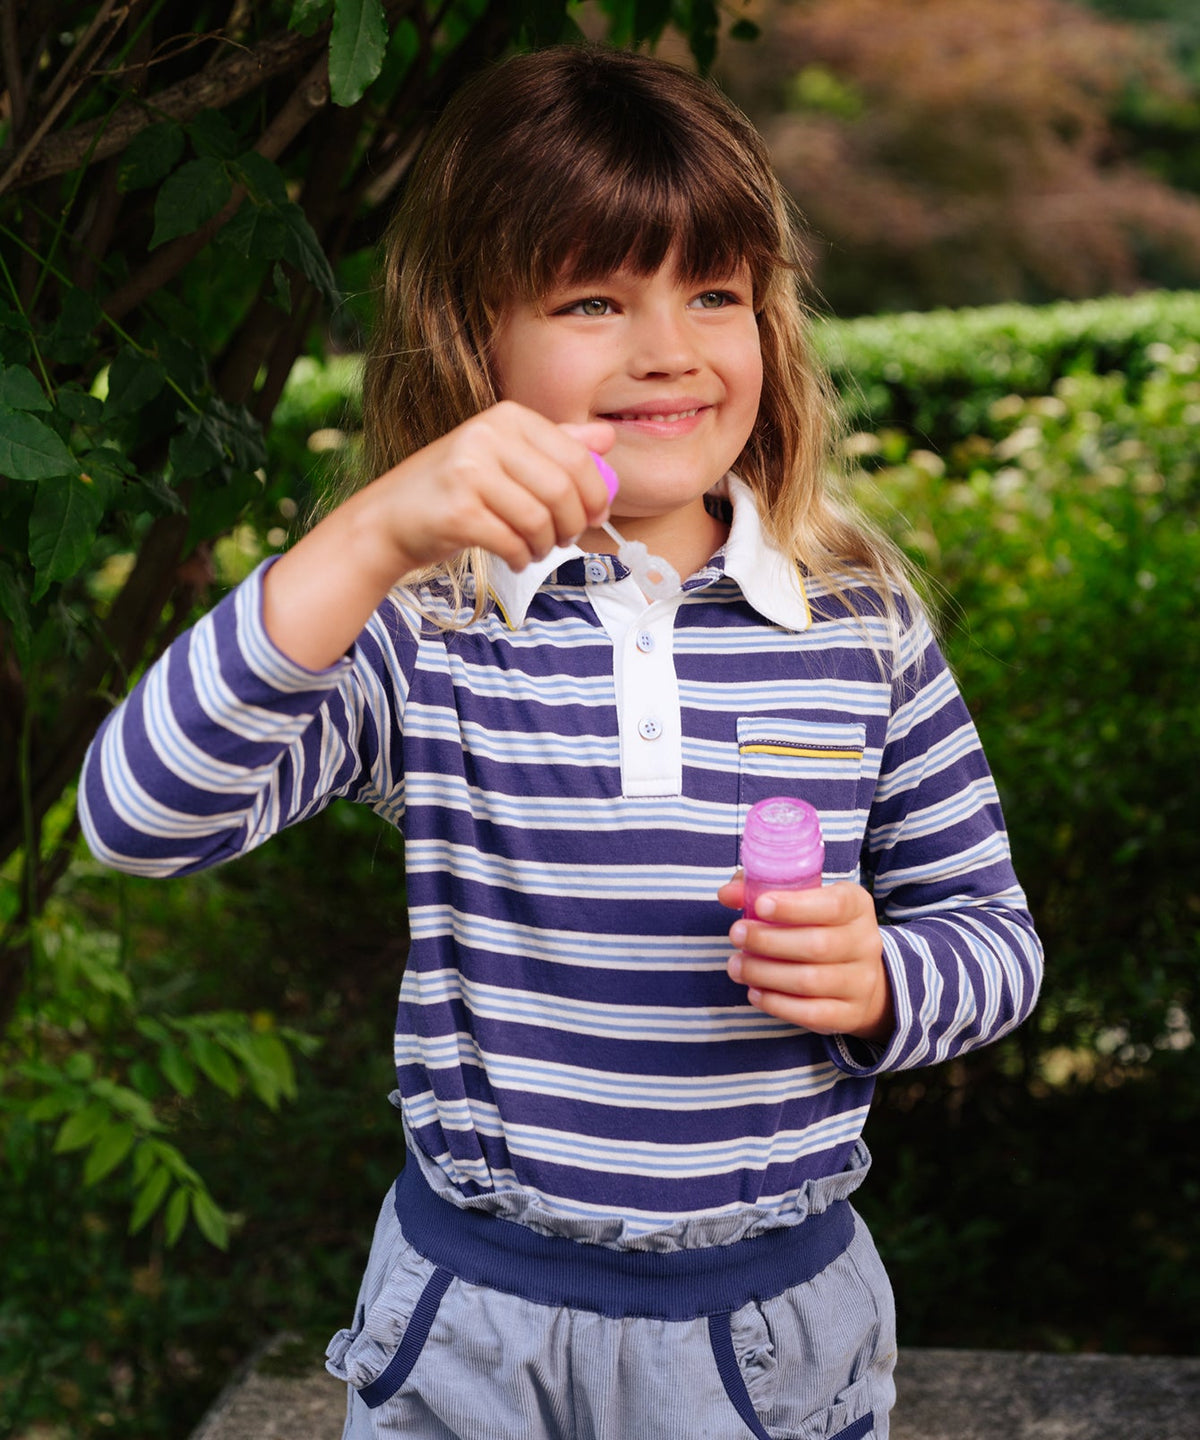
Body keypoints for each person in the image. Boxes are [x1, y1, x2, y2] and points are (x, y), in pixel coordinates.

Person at [78, 45, 1042, 1440]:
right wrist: (368, 534)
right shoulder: (426, 629)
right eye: (595, 297)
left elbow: (996, 940)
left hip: (765, 1339)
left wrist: (884, 977)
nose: (669, 348)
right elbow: (135, 818)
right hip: (473, 1324)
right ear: (479, 336)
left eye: (717, 292)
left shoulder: (858, 622)